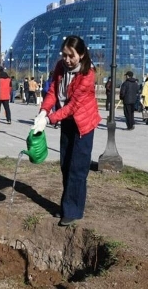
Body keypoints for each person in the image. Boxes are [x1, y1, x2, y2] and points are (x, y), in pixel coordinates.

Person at [32, 35, 101, 227]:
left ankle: (73, 211)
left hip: (83, 125)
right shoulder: (61, 68)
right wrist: (43, 111)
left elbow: (73, 106)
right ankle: (67, 206)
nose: (67, 59)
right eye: (64, 55)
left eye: (71, 56)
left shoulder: (87, 74)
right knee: (65, 165)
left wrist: (49, 118)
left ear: (81, 54)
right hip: (67, 122)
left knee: (77, 168)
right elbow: (53, 91)